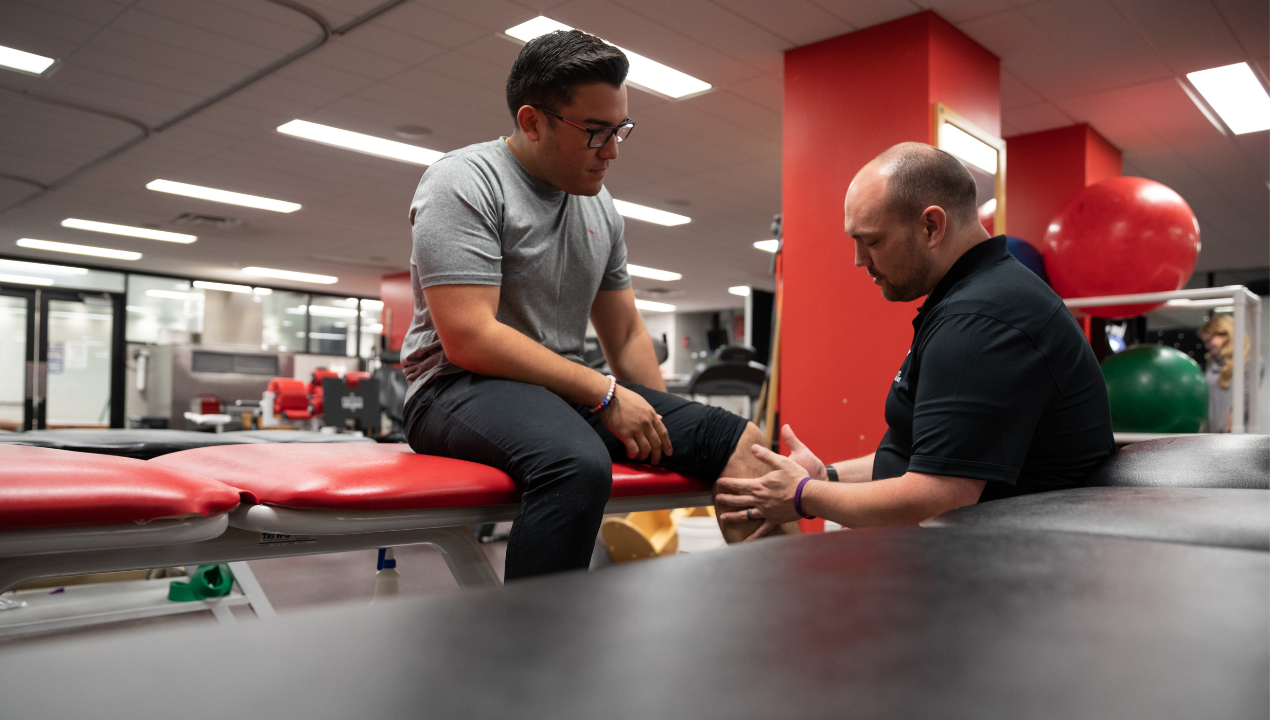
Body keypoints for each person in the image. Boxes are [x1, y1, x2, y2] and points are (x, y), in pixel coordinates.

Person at [400, 30, 779, 580]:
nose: (613, 151)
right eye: (596, 132)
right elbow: (471, 337)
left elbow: (624, 335)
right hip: (453, 387)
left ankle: (779, 621)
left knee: (744, 444)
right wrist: (606, 393)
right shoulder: (464, 181)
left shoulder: (600, 208)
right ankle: (537, 655)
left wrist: (662, 423)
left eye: (620, 129)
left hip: (563, 391)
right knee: (574, 465)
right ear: (532, 122)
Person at [715, 143, 1114, 537]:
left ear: (931, 227)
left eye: (871, 241)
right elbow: (918, 459)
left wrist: (804, 496)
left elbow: (937, 497)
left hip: (1012, 575)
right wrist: (826, 476)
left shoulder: (981, 319)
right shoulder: (971, 299)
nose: (859, 260)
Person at [1198, 314, 1255, 433]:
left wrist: (1229, 431)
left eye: (1209, 340)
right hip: (1209, 433)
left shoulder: (1250, 362)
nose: (1206, 346)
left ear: (1226, 335)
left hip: (1230, 435)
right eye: (1205, 342)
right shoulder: (1212, 361)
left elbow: (1245, 400)